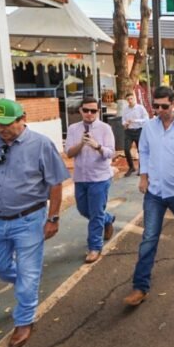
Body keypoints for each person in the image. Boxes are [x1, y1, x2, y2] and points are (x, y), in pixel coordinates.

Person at [0, 98, 69, 347]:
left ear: (22, 118)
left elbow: (55, 183)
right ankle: (27, 283)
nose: (0, 129)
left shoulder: (41, 144)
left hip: (29, 220)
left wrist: (53, 217)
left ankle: (24, 320)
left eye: (5, 124)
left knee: (29, 274)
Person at [123, 86, 174, 307]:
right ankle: (140, 287)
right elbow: (145, 151)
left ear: (173, 104)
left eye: (164, 106)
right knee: (149, 237)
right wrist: (143, 177)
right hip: (155, 192)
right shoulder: (149, 127)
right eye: (155, 106)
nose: (159, 110)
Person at [65, 97, 116, 264]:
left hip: (99, 177)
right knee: (83, 210)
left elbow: (111, 153)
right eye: (86, 110)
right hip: (81, 177)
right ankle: (107, 219)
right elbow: (69, 153)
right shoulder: (73, 129)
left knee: (95, 214)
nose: (89, 114)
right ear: (80, 110)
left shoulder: (105, 128)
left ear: (98, 112)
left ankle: (95, 247)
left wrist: (98, 146)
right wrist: (81, 143)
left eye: (93, 111)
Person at [122, 93, 149, 177]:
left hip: (139, 130)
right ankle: (131, 167)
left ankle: (141, 168)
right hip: (129, 131)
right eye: (128, 99)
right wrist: (124, 123)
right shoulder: (125, 109)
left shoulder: (140, 108)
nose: (130, 101)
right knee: (126, 149)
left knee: (140, 150)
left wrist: (135, 120)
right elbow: (123, 120)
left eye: (131, 99)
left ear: (134, 98)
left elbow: (146, 119)